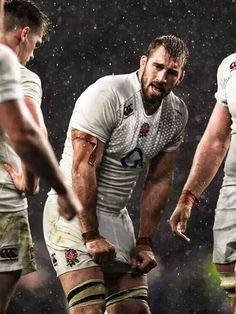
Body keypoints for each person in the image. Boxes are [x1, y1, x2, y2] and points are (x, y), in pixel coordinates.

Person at [43, 35, 189, 313]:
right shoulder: (108, 93)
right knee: (89, 309)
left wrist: (145, 242)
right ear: (143, 62)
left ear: (181, 76)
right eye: (157, 67)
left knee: (134, 311)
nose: (161, 77)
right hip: (73, 213)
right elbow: (82, 167)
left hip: (116, 216)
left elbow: (159, 179)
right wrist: (90, 234)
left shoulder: (176, 113)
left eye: (172, 72)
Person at [0, 1, 82, 312]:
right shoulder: (16, 71)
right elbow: (32, 132)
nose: (33, 54)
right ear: (23, 34)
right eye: (34, 44)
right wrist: (38, 181)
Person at [169, 53, 236, 314]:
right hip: (233, 187)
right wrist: (188, 197)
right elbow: (216, 139)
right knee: (230, 278)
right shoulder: (230, 66)